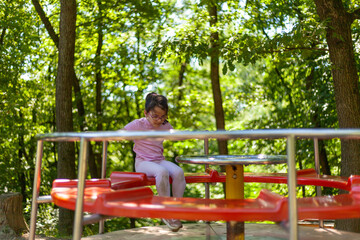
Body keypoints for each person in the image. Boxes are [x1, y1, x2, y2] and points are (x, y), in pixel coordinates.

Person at [123, 92, 186, 232]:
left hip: (158, 160)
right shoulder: (138, 124)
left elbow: (175, 136)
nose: (159, 120)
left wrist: (192, 134)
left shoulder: (165, 125)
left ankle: (176, 209)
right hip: (143, 162)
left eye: (163, 116)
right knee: (161, 172)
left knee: (179, 172)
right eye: (155, 116)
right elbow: (119, 133)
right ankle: (165, 210)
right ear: (146, 113)